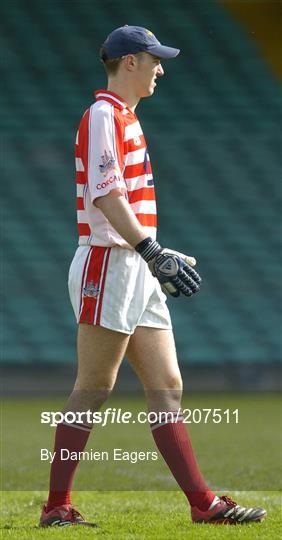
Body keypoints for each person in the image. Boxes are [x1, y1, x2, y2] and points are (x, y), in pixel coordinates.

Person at [39, 25, 266, 527]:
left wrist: (158, 251)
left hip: (133, 262)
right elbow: (105, 196)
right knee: (95, 386)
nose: (161, 68)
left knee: (167, 384)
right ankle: (56, 507)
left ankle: (202, 505)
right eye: (154, 59)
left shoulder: (126, 118)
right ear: (129, 63)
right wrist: (149, 248)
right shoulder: (103, 114)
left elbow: (119, 201)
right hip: (108, 262)